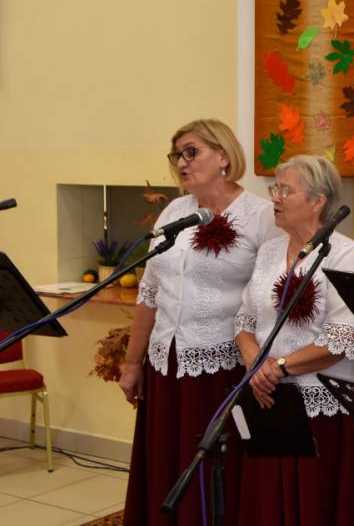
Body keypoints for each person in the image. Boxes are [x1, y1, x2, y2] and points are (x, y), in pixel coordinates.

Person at [120, 119, 280, 525]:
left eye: (192, 152)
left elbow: (269, 300)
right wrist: (133, 362)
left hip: (221, 368)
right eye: (177, 155)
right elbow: (150, 292)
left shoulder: (260, 216)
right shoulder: (176, 211)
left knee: (212, 471)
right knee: (166, 464)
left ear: (223, 156)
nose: (182, 163)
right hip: (166, 362)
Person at [234, 155, 354, 525]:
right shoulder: (269, 251)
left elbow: (343, 337)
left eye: (286, 191)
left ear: (317, 201)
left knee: (313, 503)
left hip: (319, 407)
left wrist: (277, 367)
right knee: (268, 503)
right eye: (275, 189)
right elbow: (244, 319)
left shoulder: (346, 254)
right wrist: (255, 363)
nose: (275, 198)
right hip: (268, 398)